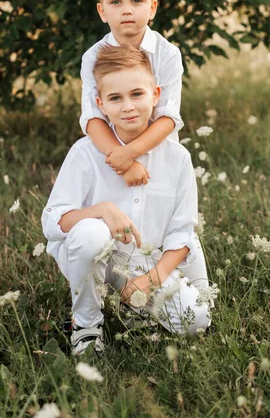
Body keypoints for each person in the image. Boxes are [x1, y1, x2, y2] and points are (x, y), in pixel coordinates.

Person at [42, 46, 211, 355]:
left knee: (196, 320)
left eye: (137, 94)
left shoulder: (177, 158)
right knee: (90, 232)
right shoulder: (84, 152)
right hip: (94, 258)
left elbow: (182, 234)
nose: (128, 107)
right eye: (116, 98)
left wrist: (150, 280)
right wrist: (103, 211)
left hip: (144, 261)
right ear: (100, 104)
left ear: (156, 94)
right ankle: (86, 323)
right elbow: (54, 222)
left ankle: (136, 305)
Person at [80, 0, 208, 289]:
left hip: (159, 153)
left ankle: (162, 276)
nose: (127, 10)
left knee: (168, 227)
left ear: (152, 8)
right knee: (119, 224)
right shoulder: (93, 57)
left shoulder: (167, 54)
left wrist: (134, 152)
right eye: (116, 2)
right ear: (101, 10)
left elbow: (168, 116)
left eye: (136, 1)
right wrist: (120, 159)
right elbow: (92, 118)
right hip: (111, 153)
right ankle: (107, 285)